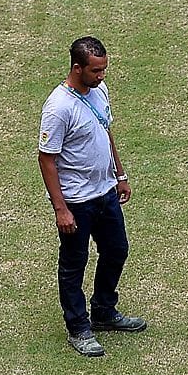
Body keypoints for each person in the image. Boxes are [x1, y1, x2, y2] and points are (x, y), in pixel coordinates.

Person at [37, 36, 146, 357]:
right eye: (96, 71)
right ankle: (78, 328)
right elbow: (46, 159)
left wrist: (120, 175)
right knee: (74, 263)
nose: (102, 76)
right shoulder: (59, 108)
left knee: (117, 250)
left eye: (104, 70)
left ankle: (103, 310)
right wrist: (61, 209)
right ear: (77, 68)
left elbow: (105, 131)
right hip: (76, 201)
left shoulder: (99, 91)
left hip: (105, 193)